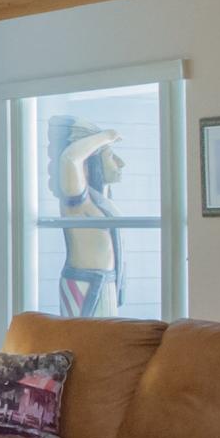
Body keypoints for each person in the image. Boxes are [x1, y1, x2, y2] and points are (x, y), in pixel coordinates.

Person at [53, 122, 124, 316]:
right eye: (110, 156)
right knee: (81, 342)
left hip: (105, 281)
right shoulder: (77, 201)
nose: (120, 163)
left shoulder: (99, 200)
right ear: (90, 164)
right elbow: (69, 159)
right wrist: (106, 136)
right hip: (83, 284)